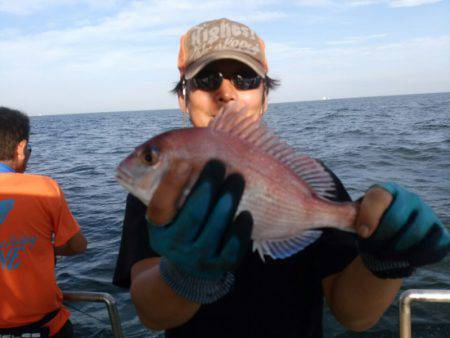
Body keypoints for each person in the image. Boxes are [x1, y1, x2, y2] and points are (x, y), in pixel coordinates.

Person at [113, 18, 450, 337]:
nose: (226, 92)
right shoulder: (153, 197)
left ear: (265, 98)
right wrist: (185, 276)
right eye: (206, 79)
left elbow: (355, 316)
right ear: (182, 99)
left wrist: (386, 260)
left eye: (245, 79)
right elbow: (152, 315)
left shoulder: (315, 181)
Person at [0, 107, 88, 337]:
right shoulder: (44, 188)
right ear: (20, 148)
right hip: (44, 328)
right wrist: (44, 248)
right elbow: (77, 245)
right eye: (28, 149)